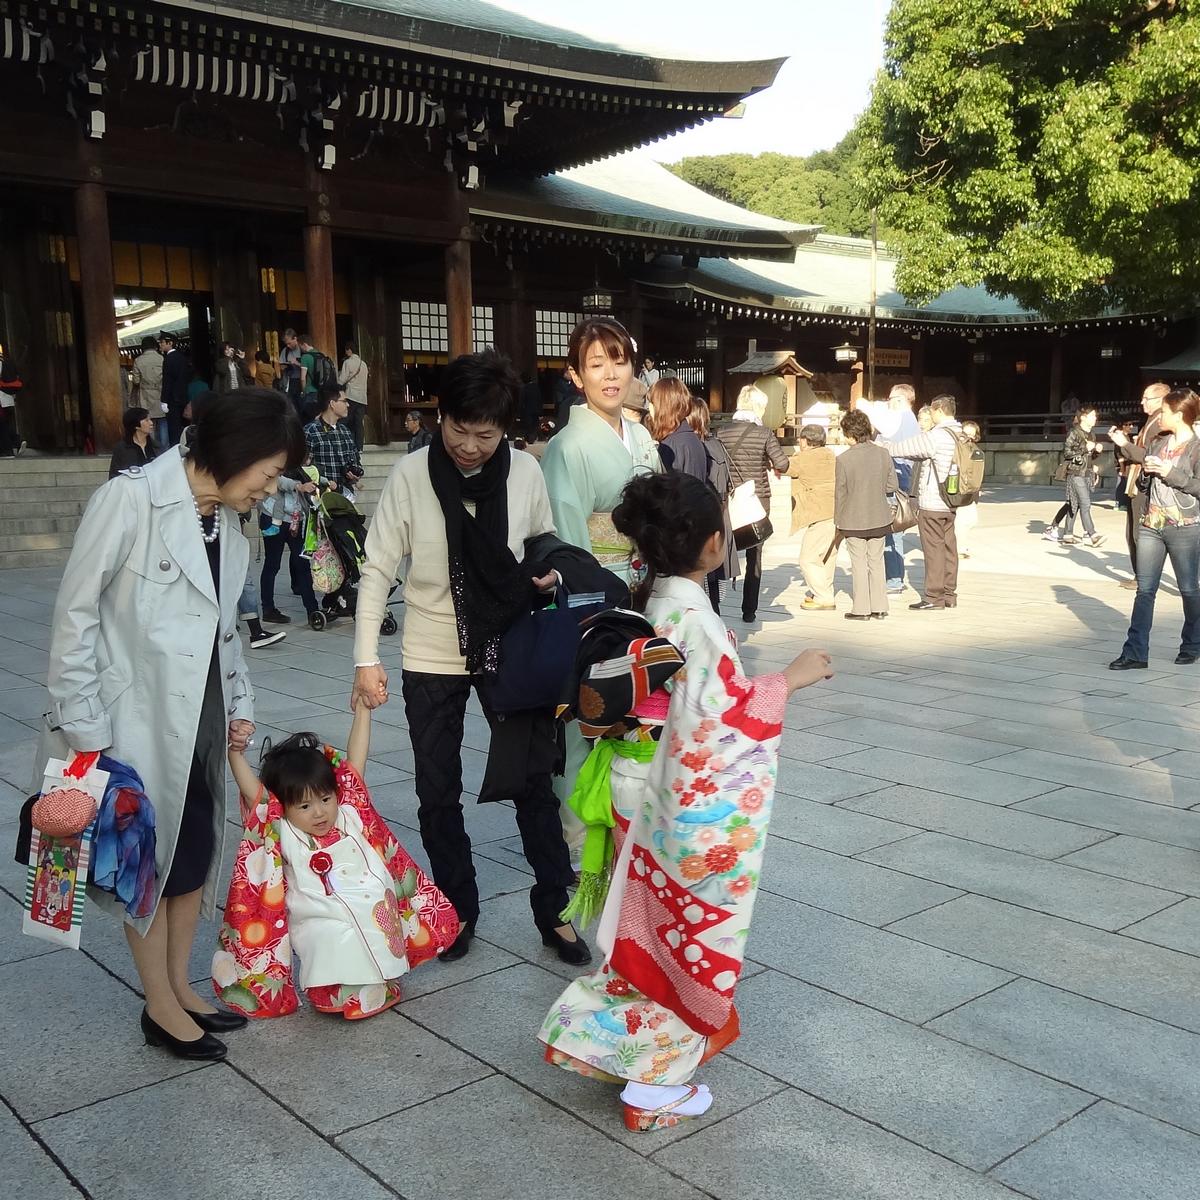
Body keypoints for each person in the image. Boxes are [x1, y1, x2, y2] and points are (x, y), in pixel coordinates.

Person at [538, 471, 834, 1132]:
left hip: (633, 791)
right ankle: (655, 1085)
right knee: (683, 935)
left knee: (643, 928)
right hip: (671, 803)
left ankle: (602, 1042)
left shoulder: (654, 602)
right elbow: (722, 720)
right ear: (710, 546)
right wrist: (790, 679)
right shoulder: (693, 618)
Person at [40, 387, 305, 1060]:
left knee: (189, 857)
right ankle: (158, 1003)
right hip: (131, 720)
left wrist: (239, 706)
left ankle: (183, 987)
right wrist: (85, 729)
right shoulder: (130, 500)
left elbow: (225, 636)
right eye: (267, 472)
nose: (268, 488)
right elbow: (74, 617)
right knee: (144, 863)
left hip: (201, 718)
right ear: (235, 451)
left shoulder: (227, 525)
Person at [351, 349, 589, 966]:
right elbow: (378, 566)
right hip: (431, 649)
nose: (470, 446)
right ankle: (457, 909)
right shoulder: (411, 476)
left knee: (535, 782)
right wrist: (365, 657)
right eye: (459, 429)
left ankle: (554, 912)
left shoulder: (523, 474)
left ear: (504, 430)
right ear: (441, 416)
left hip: (507, 642)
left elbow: (540, 541)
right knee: (437, 790)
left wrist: (546, 573)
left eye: (485, 434)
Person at [219, 703, 460, 1019]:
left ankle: (379, 984)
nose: (319, 812)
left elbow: (354, 765)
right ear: (284, 807)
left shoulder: (349, 814)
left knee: (375, 931)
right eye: (304, 806)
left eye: (325, 799)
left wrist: (363, 711)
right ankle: (337, 993)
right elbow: (253, 792)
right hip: (319, 914)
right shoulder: (281, 829)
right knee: (332, 941)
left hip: (370, 903)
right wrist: (234, 753)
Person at [539, 318, 661, 862]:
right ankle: (580, 829)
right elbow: (568, 529)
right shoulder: (568, 446)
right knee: (587, 713)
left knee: (636, 707)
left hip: (644, 587)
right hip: (598, 597)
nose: (610, 374)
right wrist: (600, 594)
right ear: (575, 376)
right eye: (596, 364)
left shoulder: (641, 436)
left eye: (618, 361)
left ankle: (629, 816)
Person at [1109, 387, 1200, 670]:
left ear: (1179, 414)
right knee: (1145, 589)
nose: (1161, 417)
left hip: (1184, 526)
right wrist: (1138, 458)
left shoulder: (1196, 448)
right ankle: (1135, 652)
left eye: (1166, 412)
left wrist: (1169, 472)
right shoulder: (1161, 443)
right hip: (1152, 523)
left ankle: (1192, 643)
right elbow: (1144, 460)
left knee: (1188, 589)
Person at [717, 384, 789, 623]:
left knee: (723, 548)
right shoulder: (764, 433)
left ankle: (714, 602)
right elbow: (783, 463)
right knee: (754, 555)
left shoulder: (722, 432)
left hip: (729, 499)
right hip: (757, 500)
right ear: (759, 407)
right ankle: (749, 610)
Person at [886, 394, 964, 610]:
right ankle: (949, 594)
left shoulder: (937, 436)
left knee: (933, 549)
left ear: (938, 410)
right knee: (949, 547)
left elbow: (906, 448)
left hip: (933, 501)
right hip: (952, 500)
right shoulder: (961, 433)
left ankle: (933, 597)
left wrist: (884, 446)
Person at [836, 410, 898, 621]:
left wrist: (838, 522)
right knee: (876, 561)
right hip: (879, 515)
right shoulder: (883, 454)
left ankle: (861, 608)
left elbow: (840, 494)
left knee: (859, 563)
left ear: (850, 433)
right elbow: (892, 485)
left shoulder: (844, 459)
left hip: (852, 518)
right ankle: (880, 606)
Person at [1115, 382, 1169, 586]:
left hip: (1144, 483)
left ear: (1159, 400)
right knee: (1134, 530)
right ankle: (1141, 575)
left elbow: (1149, 456)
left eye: (1146, 398)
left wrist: (1125, 444)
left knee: (1139, 530)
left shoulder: (1159, 423)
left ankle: (1143, 576)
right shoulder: (1152, 421)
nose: (1142, 402)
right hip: (1137, 480)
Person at [687, 396, 738, 612]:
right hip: (719, 515)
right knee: (713, 586)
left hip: (704, 519)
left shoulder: (695, 448)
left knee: (702, 586)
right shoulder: (716, 444)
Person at [259, 462, 322, 628]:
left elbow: (314, 479)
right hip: (273, 519)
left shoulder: (302, 468)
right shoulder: (275, 460)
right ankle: (268, 608)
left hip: (296, 521)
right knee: (272, 564)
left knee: (302, 563)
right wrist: (298, 486)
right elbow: (277, 480)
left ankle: (312, 610)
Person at [786, 423, 837, 611]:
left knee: (807, 558)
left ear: (805, 441)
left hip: (820, 512)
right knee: (828, 556)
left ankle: (823, 597)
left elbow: (785, 467)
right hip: (837, 511)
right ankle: (824, 592)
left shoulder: (803, 458)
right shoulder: (831, 455)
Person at [1059, 407, 1106, 548]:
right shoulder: (1074, 432)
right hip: (1075, 473)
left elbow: (1089, 457)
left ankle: (1068, 533)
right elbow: (1067, 453)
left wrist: (1096, 453)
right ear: (1083, 417)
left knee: (1076, 503)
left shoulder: (1091, 434)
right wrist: (1086, 447)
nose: (1095, 418)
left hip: (1086, 472)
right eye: (1092, 416)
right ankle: (1092, 534)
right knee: (1085, 503)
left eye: (1095, 416)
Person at [306, 385, 364, 494]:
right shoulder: (310, 431)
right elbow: (303, 469)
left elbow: (356, 460)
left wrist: (355, 474)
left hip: (345, 496)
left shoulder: (345, 431)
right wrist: (324, 481)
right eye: (344, 401)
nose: (348, 404)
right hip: (321, 497)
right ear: (332, 404)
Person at [647, 377, 708, 478]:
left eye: (653, 403)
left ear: (663, 407)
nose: (649, 408)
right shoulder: (691, 437)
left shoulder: (671, 446)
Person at [131, 335, 168, 449]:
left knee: (148, 421)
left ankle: (151, 448)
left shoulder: (138, 360)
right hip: (161, 393)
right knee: (162, 421)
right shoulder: (162, 359)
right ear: (155, 346)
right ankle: (164, 448)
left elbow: (136, 380)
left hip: (145, 395)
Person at [955, 420, 982, 558]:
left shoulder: (976, 451)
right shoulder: (957, 449)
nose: (969, 437)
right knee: (962, 520)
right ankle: (960, 549)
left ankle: (959, 546)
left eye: (972, 434)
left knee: (972, 520)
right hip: (961, 489)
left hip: (973, 489)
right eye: (966, 433)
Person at [108, 407, 159, 479]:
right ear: (136, 426)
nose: (151, 423)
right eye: (146, 420)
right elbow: (114, 475)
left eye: (150, 420)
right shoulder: (122, 448)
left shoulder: (156, 446)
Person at [338, 341, 370, 451]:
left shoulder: (348, 362)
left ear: (349, 350)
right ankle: (359, 447)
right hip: (362, 397)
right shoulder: (364, 364)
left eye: (346, 350)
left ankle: (346, 444)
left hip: (351, 395)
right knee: (358, 423)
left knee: (346, 420)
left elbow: (342, 380)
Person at [160, 331, 189, 446]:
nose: (160, 345)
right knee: (181, 427)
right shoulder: (181, 358)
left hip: (172, 398)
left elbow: (167, 381)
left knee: (173, 429)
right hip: (182, 396)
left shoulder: (169, 359)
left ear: (170, 343)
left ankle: (175, 451)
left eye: (162, 342)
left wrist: (164, 399)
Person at [0, 343, 25, 457]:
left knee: (3, 425)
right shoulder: (7, 363)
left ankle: (9, 449)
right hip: (7, 399)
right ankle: (16, 442)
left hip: (1, 401)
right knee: (4, 424)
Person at [278, 329, 303, 410]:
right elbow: (281, 365)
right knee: (291, 406)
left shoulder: (302, 349)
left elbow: (309, 366)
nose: (288, 345)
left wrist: (297, 363)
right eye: (286, 344)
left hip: (303, 381)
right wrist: (284, 367)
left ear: (295, 338)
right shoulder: (285, 351)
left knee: (303, 406)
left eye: (289, 343)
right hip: (290, 381)